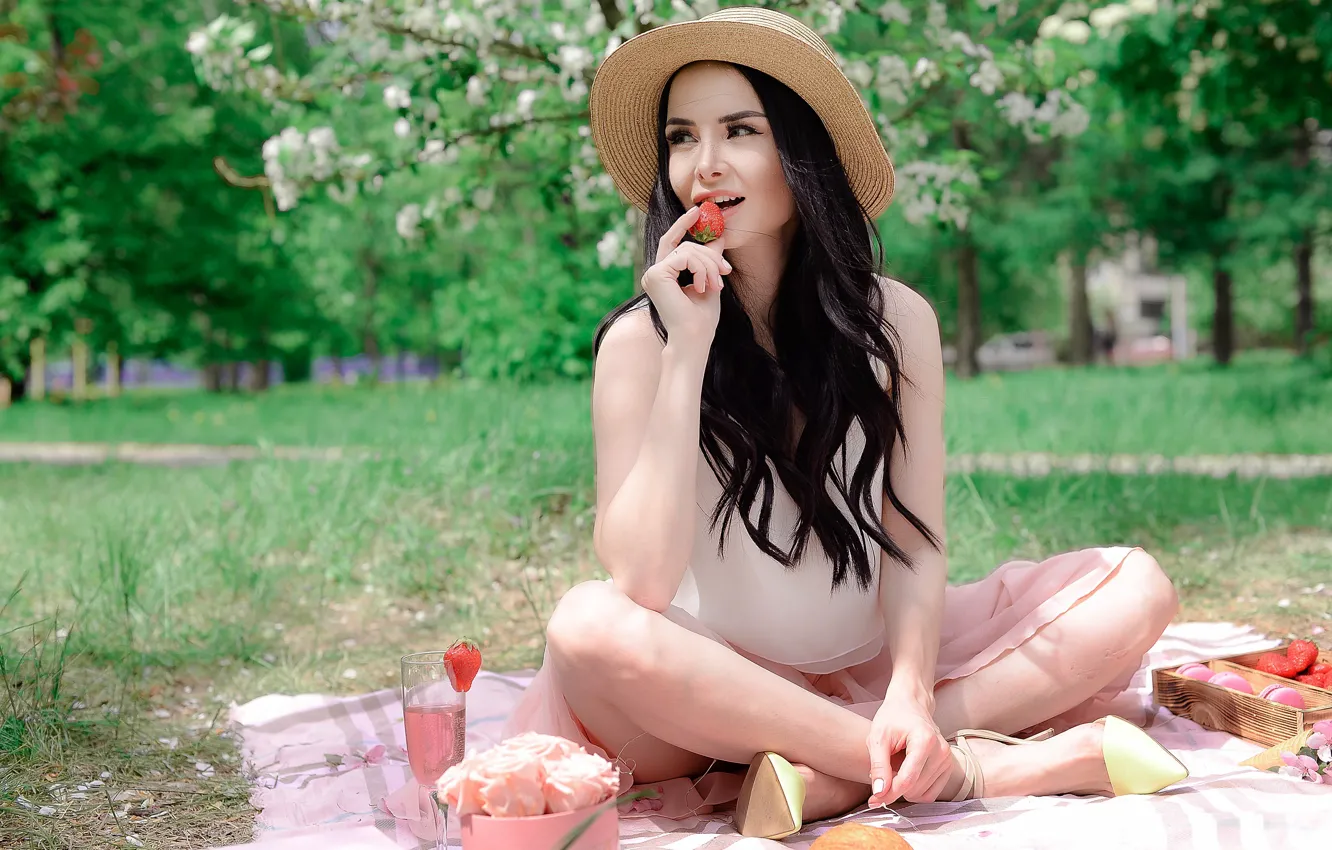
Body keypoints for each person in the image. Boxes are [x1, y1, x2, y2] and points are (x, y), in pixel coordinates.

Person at [503, 7, 1186, 839]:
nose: (704, 167)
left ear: (800, 154)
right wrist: (686, 351)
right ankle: (963, 767)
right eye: (682, 138)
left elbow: (915, 536)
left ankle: (834, 771)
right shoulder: (639, 343)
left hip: (866, 668)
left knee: (1138, 589)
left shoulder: (896, 323)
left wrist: (906, 686)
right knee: (585, 623)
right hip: (694, 705)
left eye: (740, 131)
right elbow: (641, 584)